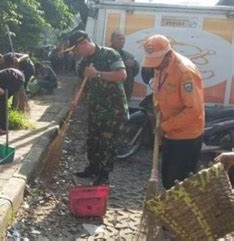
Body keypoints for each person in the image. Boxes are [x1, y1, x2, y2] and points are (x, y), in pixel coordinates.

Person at [142, 34, 205, 190]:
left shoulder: (185, 72)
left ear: (168, 55)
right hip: (169, 132)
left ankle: (182, 211)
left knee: (179, 181)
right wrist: (156, 106)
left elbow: (193, 110)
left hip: (187, 136)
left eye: (157, 62)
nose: (155, 67)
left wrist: (165, 127)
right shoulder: (160, 67)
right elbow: (159, 91)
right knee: (167, 178)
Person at [68, 30, 129, 185]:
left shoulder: (110, 54)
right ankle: (92, 168)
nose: (76, 53)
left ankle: (104, 174)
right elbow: (83, 86)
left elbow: (121, 75)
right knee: (93, 140)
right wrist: (76, 100)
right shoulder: (83, 63)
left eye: (77, 49)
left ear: (84, 43)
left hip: (113, 109)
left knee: (107, 143)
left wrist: (97, 74)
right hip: (95, 108)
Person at [0, 68, 25, 135]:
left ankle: (3, 128)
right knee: (0, 100)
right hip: (18, 75)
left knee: (1, 100)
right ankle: (3, 124)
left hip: (15, 78)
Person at [110, 31, 140, 101]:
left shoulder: (128, 56)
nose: (121, 41)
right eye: (119, 38)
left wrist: (134, 65)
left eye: (123, 39)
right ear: (111, 40)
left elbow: (133, 73)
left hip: (124, 94)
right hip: (108, 94)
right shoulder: (103, 53)